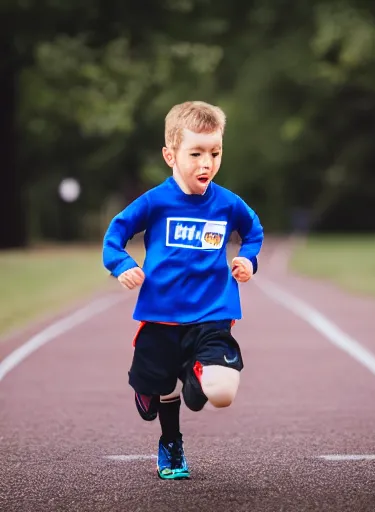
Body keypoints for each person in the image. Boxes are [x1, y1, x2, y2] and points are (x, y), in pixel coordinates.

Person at [102, 101, 264, 480]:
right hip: (161, 314)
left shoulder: (227, 203)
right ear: (170, 155)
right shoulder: (155, 202)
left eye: (215, 153)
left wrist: (248, 260)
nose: (206, 163)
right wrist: (123, 265)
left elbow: (253, 230)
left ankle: (195, 384)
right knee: (155, 395)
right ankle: (168, 432)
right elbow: (115, 235)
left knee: (221, 391)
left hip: (213, 312)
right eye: (196, 154)